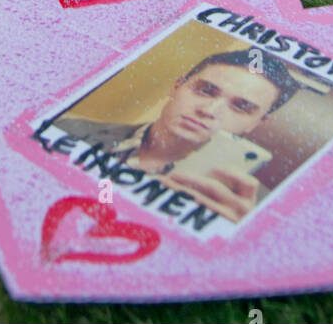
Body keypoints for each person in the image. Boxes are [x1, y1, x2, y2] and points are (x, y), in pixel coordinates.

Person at [57, 49, 298, 223]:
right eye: (204, 90)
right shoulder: (69, 130)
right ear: (177, 86)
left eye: (241, 107)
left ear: (256, 124)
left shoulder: (253, 211)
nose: (208, 110)